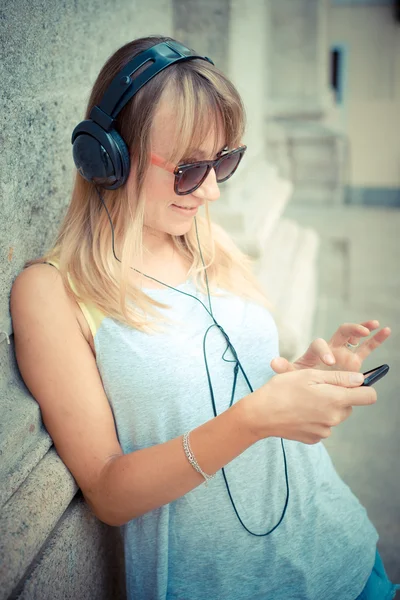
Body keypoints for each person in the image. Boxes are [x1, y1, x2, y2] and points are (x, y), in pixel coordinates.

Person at [10, 35, 399, 600]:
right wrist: (256, 419)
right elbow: (108, 493)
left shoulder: (201, 239)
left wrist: (301, 381)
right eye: (190, 169)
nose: (212, 191)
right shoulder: (51, 291)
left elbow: (227, 393)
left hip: (343, 553)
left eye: (225, 161)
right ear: (107, 157)